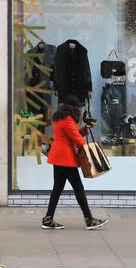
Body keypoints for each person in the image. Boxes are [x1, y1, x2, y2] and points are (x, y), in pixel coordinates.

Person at [42, 96, 109, 230]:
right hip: (65, 158)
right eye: (78, 107)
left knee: (58, 188)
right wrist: (90, 150)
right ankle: (89, 219)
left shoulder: (60, 118)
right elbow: (77, 139)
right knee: (78, 188)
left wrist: (85, 129)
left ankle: (48, 219)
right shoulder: (67, 119)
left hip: (58, 157)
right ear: (73, 108)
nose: (79, 110)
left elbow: (73, 134)